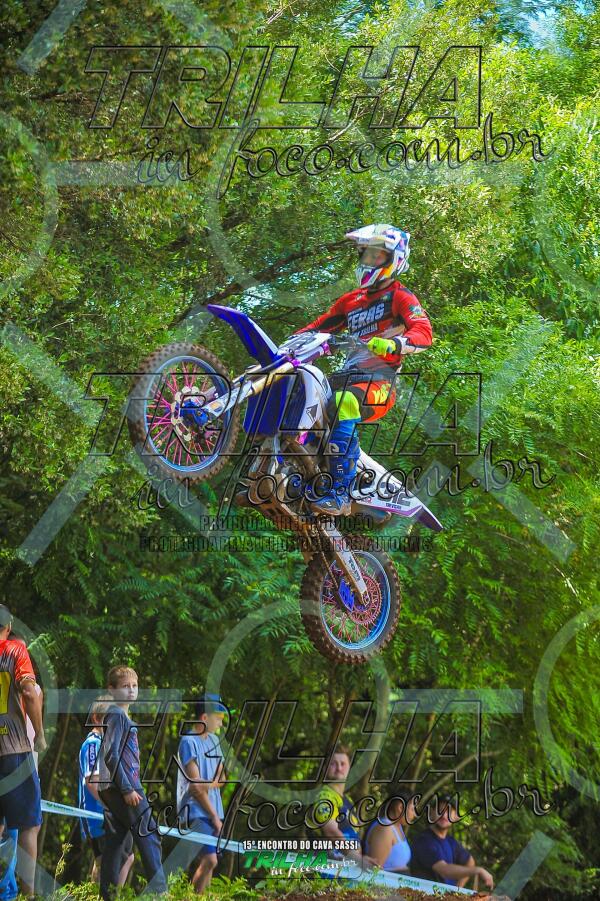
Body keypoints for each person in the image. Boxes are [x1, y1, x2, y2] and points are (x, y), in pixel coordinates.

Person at [296, 223, 433, 513]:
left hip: (381, 383)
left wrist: (394, 344)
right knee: (300, 392)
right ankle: (290, 469)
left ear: (394, 259)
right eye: (366, 254)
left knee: (344, 402)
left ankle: (340, 494)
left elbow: (424, 332)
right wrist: (286, 347)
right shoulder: (351, 301)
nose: (369, 261)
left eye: (377, 255)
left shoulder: (400, 296)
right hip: (346, 377)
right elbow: (317, 328)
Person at [97, 666, 166, 901]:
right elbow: (111, 755)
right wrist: (127, 788)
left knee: (116, 843)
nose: (131, 690)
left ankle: (107, 895)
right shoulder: (117, 714)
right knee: (149, 835)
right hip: (122, 787)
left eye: (134, 686)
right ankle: (160, 893)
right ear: (111, 689)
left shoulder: (120, 716)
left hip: (111, 786)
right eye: (125, 686)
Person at [0, 605, 46, 898]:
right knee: (29, 825)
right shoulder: (15, 650)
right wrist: (39, 735)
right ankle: (28, 895)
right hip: (13, 750)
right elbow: (29, 691)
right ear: (9, 626)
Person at [176, 694, 227, 894]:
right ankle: (191, 898)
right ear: (204, 718)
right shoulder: (188, 742)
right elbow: (195, 789)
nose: (221, 723)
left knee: (210, 866)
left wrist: (207, 784)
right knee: (209, 859)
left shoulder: (214, 740)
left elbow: (221, 778)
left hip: (215, 811)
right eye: (218, 718)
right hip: (196, 812)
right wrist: (213, 816)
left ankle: (201, 897)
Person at [79, 695, 134, 885]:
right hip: (97, 814)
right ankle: (102, 895)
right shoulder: (92, 744)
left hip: (110, 813)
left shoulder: (108, 744)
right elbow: (92, 782)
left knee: (125, 857)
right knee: (106, 862)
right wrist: (112, 806)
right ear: (97, 719)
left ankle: (109, 895)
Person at [309, 745, 375, 868]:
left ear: (350, 767)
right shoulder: (324, 796)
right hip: (324, 872)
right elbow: (331, 832)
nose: (339, 768)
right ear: (325, 768)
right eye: (333, 764)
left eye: (343, 764)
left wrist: (359, 858)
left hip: (345, 871)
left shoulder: (348, 801)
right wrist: (357, 859)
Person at [410, 795, 494, 890]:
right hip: (423, 894)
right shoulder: (424, 840)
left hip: (444, 896)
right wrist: (477, 870)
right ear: (431, 813)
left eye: (449, 812)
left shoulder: (451, 842)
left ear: (456, 817)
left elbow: (470, 862)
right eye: (440, 810)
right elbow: (444, 870)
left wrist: (457, 890)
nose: (444, 815)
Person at [363, 789, 414, 872]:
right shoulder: (385, 828)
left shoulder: (398, 826)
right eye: (412, 809)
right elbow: (374, 870)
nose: (414, 814)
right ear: (400, 807)